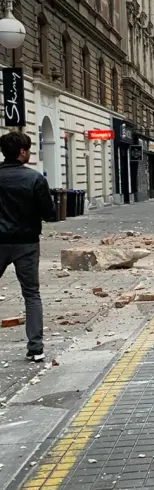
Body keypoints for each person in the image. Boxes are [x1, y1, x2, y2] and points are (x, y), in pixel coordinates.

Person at [0, 131, 56, 362]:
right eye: (29, 150)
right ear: (22, 152)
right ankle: (36, 348)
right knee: (31, 294)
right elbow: (50, 214)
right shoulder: (35, 179)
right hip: (26, 243)